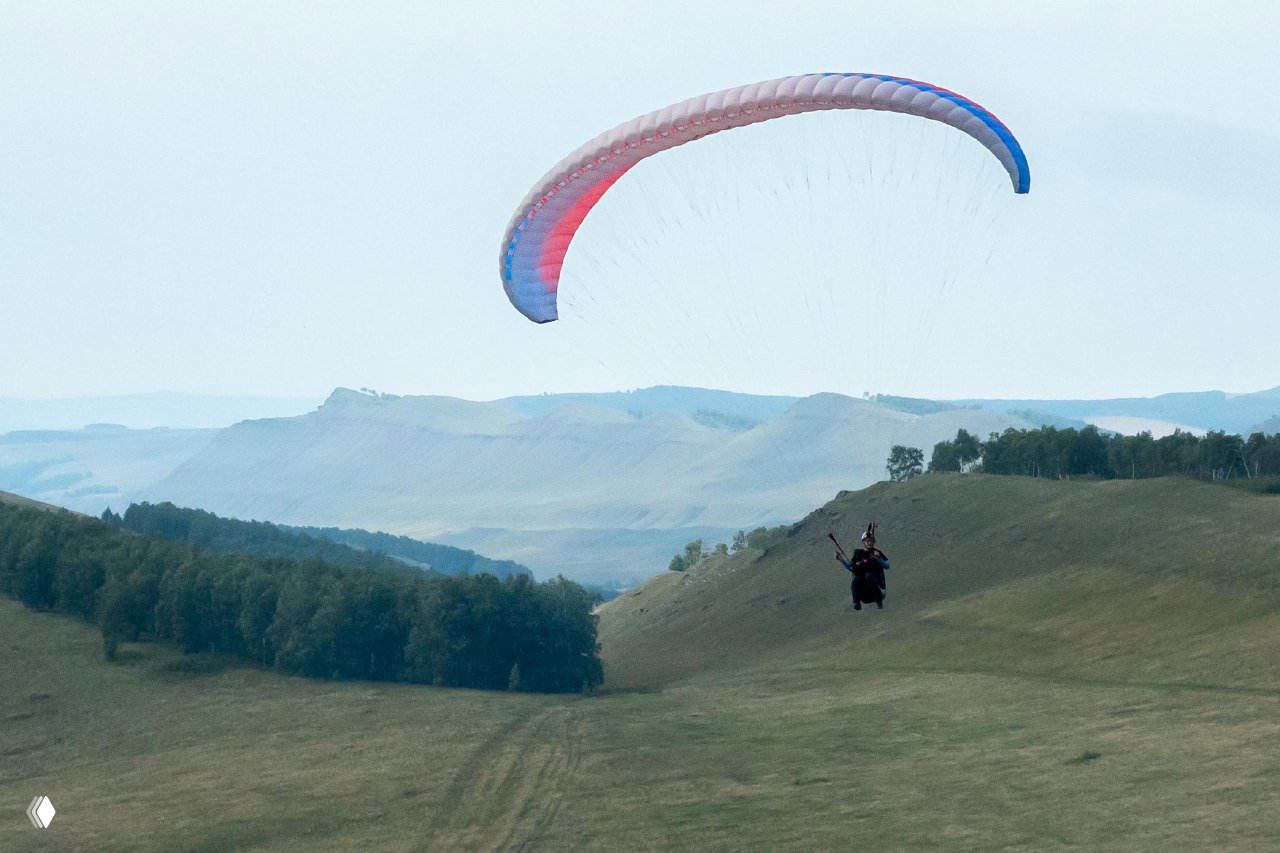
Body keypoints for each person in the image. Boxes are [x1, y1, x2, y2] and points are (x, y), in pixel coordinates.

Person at [836, 527, 889, 610]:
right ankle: (856, 603)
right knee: (856, 580)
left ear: (874, 542)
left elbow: (887, 566)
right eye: (867, 541)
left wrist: (879, 558)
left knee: (869, 575)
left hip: (878, 590)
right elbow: (852, 568)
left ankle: (879, 602)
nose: (869, 542)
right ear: (863, 542)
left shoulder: (877, 553)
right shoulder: (858, 554)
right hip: (866, 594)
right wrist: (842, 560)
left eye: (871, 541)